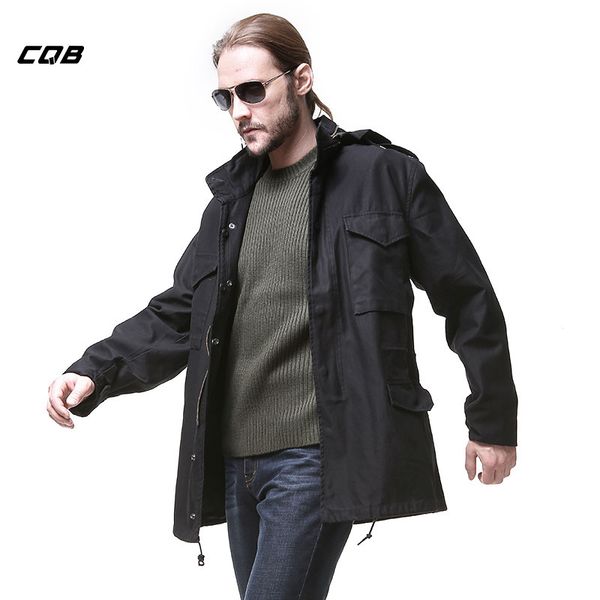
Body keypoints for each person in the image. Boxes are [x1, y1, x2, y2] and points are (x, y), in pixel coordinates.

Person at [47, 12, 519, 600]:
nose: (238, 111)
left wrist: (492, 423)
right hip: (236, 464)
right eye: (225, 98)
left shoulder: (382, 176)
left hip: (316, 456)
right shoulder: (230, 202)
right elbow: (182, 310)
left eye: (252, 90)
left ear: (300, 79)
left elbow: (467, 295)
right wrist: (96, 369)